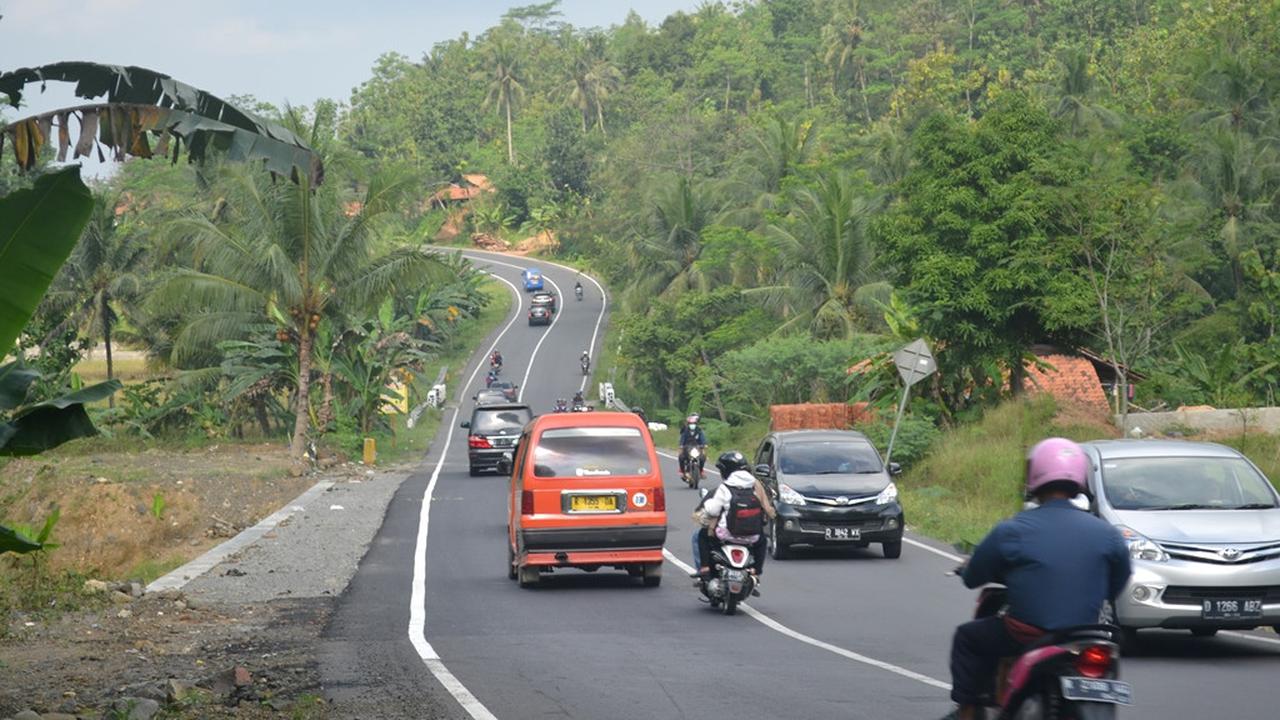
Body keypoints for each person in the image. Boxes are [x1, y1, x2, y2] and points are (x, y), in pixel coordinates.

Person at [941, 438, 1131, 720]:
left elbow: (974, 577)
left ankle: (967, 712)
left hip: (1029, 634)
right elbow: (1119, 578)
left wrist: (968, 570)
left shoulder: (1013, 530)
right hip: (1087, 635)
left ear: (1035, 477)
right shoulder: (1108, 533)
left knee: (967, 638)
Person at [692, 451, 775, 588]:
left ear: (726, 471)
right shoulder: (757, 488)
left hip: (726, 535)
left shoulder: (724, 488)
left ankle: (705, 569)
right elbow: (768, 512)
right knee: (763, 541)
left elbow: (711, 511)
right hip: (752, 537)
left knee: (700, 535)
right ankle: (756, 572)